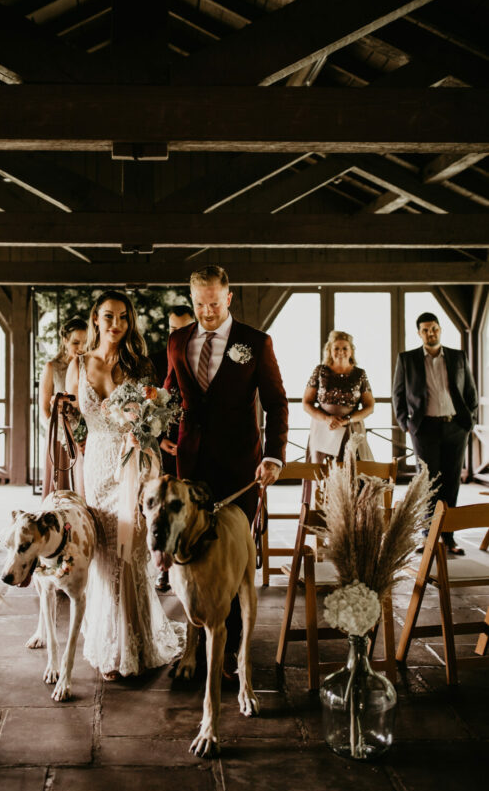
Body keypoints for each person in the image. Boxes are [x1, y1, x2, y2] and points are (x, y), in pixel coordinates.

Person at [162, 265, 288, 676]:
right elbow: (171, 393)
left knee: (232, 556)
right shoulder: (178, 341)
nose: (207, 311)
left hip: (239, 468)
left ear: (229, 298)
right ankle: (194, 642)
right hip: (190, 462)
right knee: (188, 551)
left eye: (214, 303)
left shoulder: (255, 342)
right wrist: (158, 426)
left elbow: (276, 402)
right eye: (200, 304)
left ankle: (233, 645)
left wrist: (272, 456)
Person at [66, 290, 183, 679]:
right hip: (97, 464)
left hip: (135, 461)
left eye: (122, 318)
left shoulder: (140, 365)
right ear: (95, 318)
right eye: (108, 316)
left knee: (130, 550)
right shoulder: (79, 364)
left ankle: (135, 641)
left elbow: (152, 414)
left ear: (129, 322)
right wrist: (66, 417)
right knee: (104, 552)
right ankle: (109, 641)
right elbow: (77, 422)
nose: (115, 324)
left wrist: (142, 432)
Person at [393, 311, 478, 556]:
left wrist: (469, 422)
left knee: (451, 483)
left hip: (455, 427)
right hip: (424, 428)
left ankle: (449, 538)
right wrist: (405, 424)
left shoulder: (457, 356)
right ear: (419, 333)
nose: (431, 333)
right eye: (426, 330)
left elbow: (470, 392)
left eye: (435, 328)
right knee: (428, 483)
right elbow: (398, 395)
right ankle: (428, 537)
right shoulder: (407, 359)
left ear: (440, 329)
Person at [150, 304, 194, 593]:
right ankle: (163, 567)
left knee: (188, 505)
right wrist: (159, 439)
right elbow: (149, 407)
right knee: (163, 507)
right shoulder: (158, 359)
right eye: (172, 329)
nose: (176, 334)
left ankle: (189, 562)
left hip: (195, 443)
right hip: (166, 445)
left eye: (183, 329)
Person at [302, 330, 375, 500]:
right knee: (321, 477)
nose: (340, 352)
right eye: (336, 348)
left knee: (352, 477)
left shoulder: (359, 374)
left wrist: (347, 420)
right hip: (323, 430)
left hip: (351, 430)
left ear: (351, 351)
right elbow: (306, 403)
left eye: (344, 348)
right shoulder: (320, 371)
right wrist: (327, 419)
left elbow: (370, 406)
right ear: (329, 350)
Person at [40, 316, 87, 499]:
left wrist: (85, 434)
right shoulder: (52, 368)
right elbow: (44, 410)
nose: (81, 348)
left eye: (85, 342)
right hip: (59, 441)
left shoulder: (89, 368)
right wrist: (59, 433)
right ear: (65, 341)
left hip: (84, 441)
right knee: (60, 492)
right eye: (76, 342)